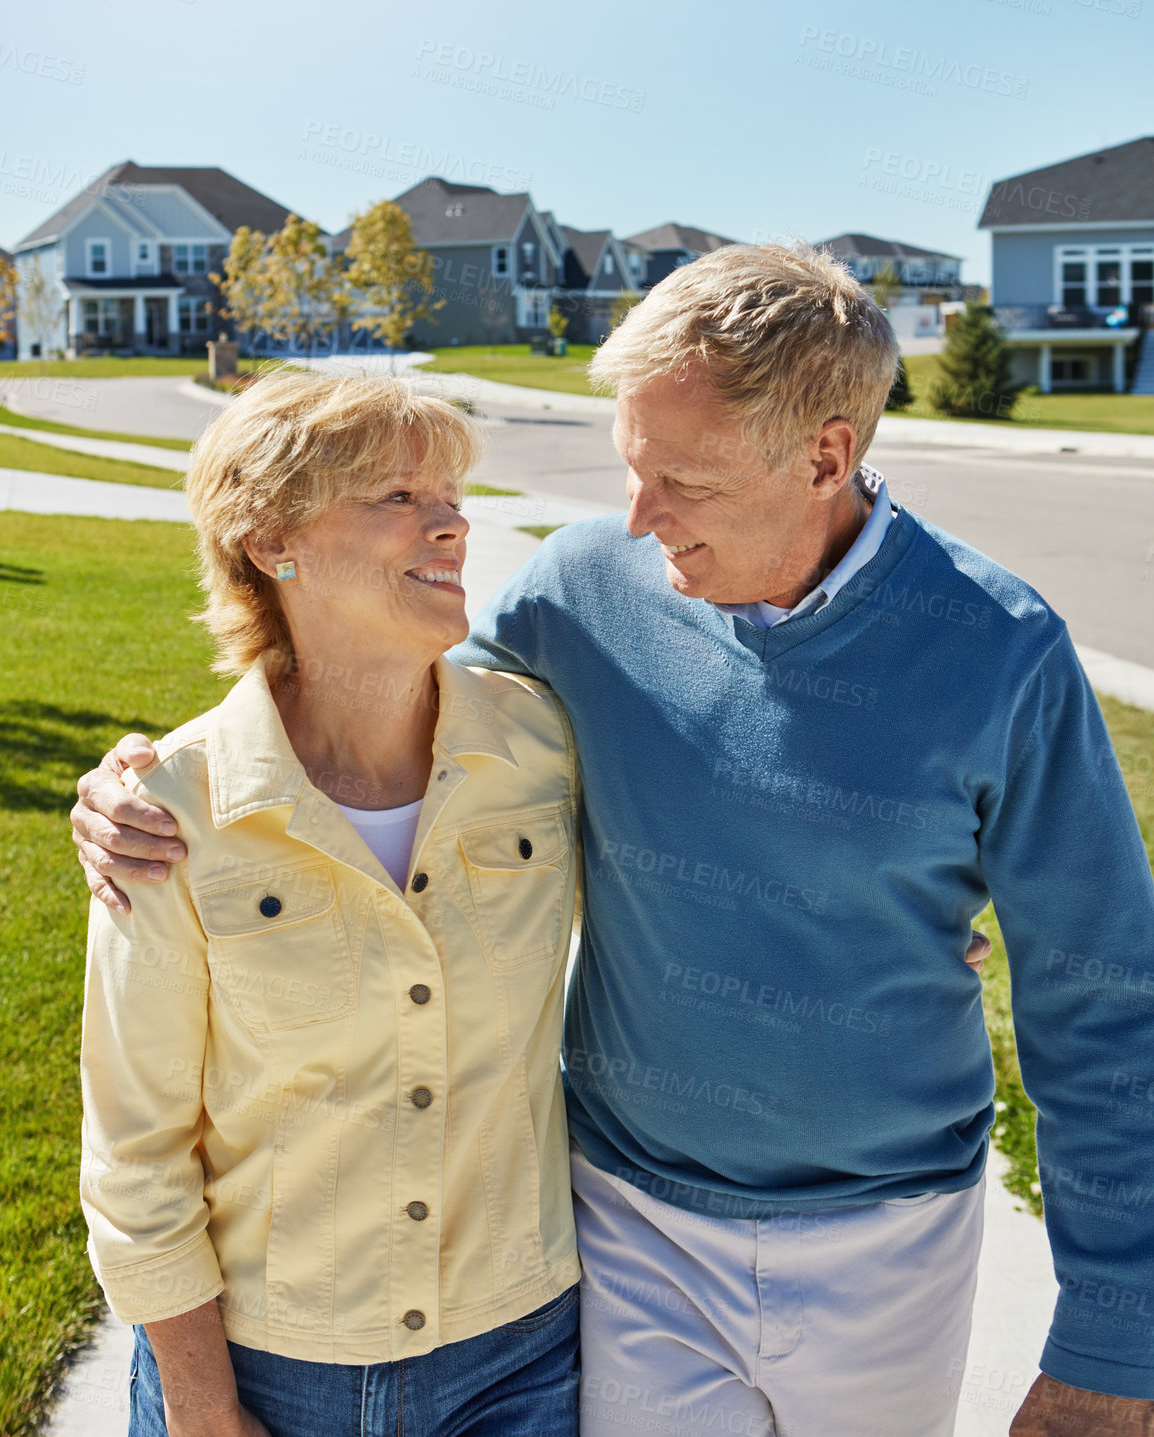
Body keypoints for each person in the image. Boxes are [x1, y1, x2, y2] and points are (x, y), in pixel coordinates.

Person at [74, 243, 1154, 1435]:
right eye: (629, 467)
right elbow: (375, 708)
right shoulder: (583, 592)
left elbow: (1104, 1004)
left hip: (890, 1230)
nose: (633, 517)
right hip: (630, 1225)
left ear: (824, 455)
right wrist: (148, 782)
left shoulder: (1000, 647)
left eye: (677, 479)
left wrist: (1112, 1343)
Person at [78, 370, 582, 1437]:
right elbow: (136, 1154)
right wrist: (206, 1414)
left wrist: (888, 920)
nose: (449, 522)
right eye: (397, 496)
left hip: (520, 1356)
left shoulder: (544, 744)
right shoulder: (172, 809)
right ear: (269, 540)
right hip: (266, 1376)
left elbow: (714, 842)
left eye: (449, 493)